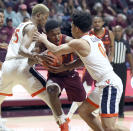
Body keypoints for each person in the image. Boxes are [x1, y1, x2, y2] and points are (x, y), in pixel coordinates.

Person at [33, 10, 129, 131]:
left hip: (109, 84)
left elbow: (56, 50)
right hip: (103, 84)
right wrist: (67, 67)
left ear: (77, 28)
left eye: (72, 25)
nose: (71, 28)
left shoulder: (79, 42)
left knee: (109, 127)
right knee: (84, 111)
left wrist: (43, 39)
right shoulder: (94, 38)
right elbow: (84, 60)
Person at [0, 4, 54, 131]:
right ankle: (63, 121)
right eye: (45, 18)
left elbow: (16, 46)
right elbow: (22, 49)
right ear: (39, 15)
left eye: (2, 17)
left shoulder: (18, 26)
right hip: (19, 65)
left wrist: (35, 50)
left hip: (8, 64)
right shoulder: (31, 27)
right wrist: (34, 55)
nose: (46, 20)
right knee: (50, 95)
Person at [36, 19, 86, 131]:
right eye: (53, 35)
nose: (57, 36)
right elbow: (33, 54)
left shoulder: (68, 40)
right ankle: (62, 122)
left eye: (58, 33)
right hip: (55, 76)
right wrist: (40, 56)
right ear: (47, 34)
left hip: (70, 74)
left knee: (83, 105)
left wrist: (66, 67)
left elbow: (83, 59)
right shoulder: (42, 42)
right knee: (51, 90)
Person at [112, 25, 133, 118]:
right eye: (115, 31)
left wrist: (132, 68)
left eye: (119, 31)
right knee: (112, 90)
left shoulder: (125, 43)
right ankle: (112, 111)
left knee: (122, 90)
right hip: (112, 68)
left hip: (122, 68)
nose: (117, 33)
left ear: (122, 32)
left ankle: (121, 112)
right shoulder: (111, 43)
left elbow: (129, 56)